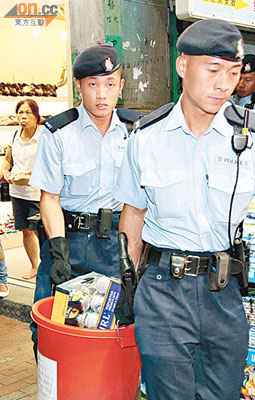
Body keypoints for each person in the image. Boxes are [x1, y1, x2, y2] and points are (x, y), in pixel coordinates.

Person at [114, 19, 255, 400]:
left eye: (233, 73)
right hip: (162, 292)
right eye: (213, 70)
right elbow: (133, 215)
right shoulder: (145, 138)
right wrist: (127, 289)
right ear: (183, 66)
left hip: (224, 291)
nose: (224, 84)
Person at [29, 44, 142, 356]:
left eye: (109, 84)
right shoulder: (58, 132)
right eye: (92, 84)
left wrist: (134, 257)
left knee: (116, 331)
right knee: (53, 332)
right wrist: (59, 250)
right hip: (70, 243)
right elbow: (49, 197)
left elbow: (142, 201)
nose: (101, 95)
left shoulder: (136, 132)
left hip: (119, 245)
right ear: (79, 86)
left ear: (121, 85)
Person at [1, 99, 42, 280]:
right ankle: (34, 265)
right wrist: (4, 170)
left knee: (40, 229)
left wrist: (30, 173)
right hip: (17, 190)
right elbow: (8, 160)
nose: (23, 116)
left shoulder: (43, 135)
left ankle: (48, 264)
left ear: (35, 115)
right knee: (25, 229)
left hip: (37, 191)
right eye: (20, 112)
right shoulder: (14, 135)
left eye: (28, 113)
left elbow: (48, 162)